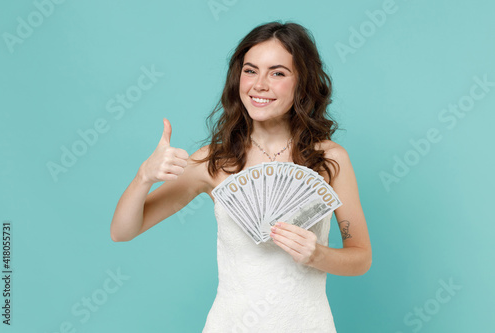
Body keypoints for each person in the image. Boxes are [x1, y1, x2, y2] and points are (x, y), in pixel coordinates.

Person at [110, 21, 371, 332]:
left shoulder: (329, 159)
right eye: (250, 70)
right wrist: (144, 176)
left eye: (278, 73)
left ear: (302, 83)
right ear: (237, 78)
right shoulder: (214, 161)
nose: (259, 84)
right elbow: (122, 231)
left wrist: (317, 254)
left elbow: (361, 257)